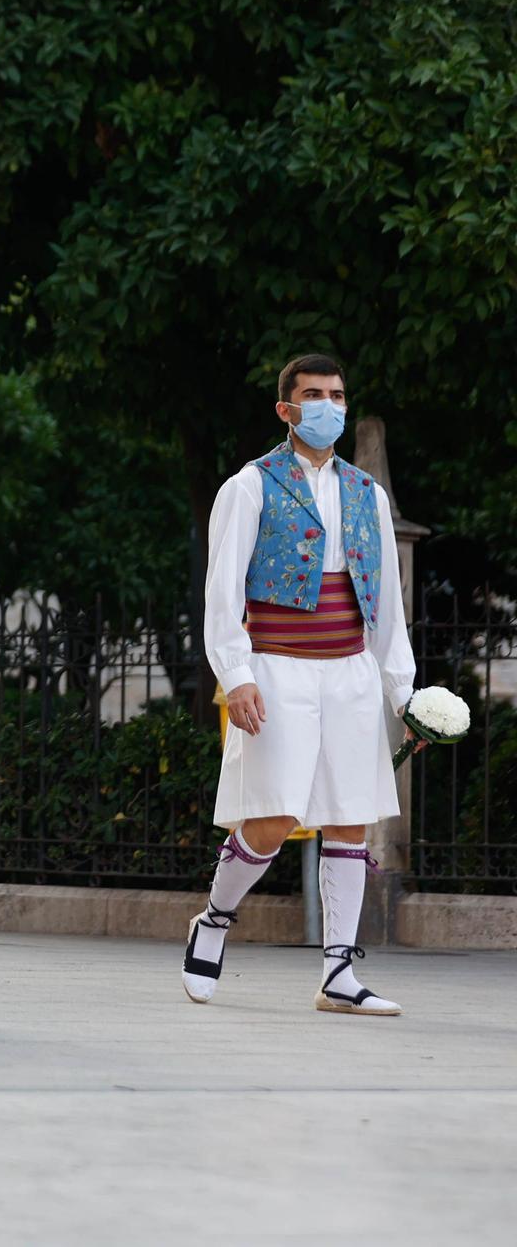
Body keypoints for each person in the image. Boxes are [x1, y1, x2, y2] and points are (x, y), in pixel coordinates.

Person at [186, 353, 419, 1015]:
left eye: (337, 395)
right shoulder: (250, 485)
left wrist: (404, 696)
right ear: (285, 409)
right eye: (313, 394)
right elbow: (223, 590)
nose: (328, 405)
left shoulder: (366, 493)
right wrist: (236, 674)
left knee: (350, 818)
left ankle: (338, 973)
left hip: (349, 672)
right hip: (279, 668)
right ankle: (214, 919)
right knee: (274, 815)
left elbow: (386, 604)